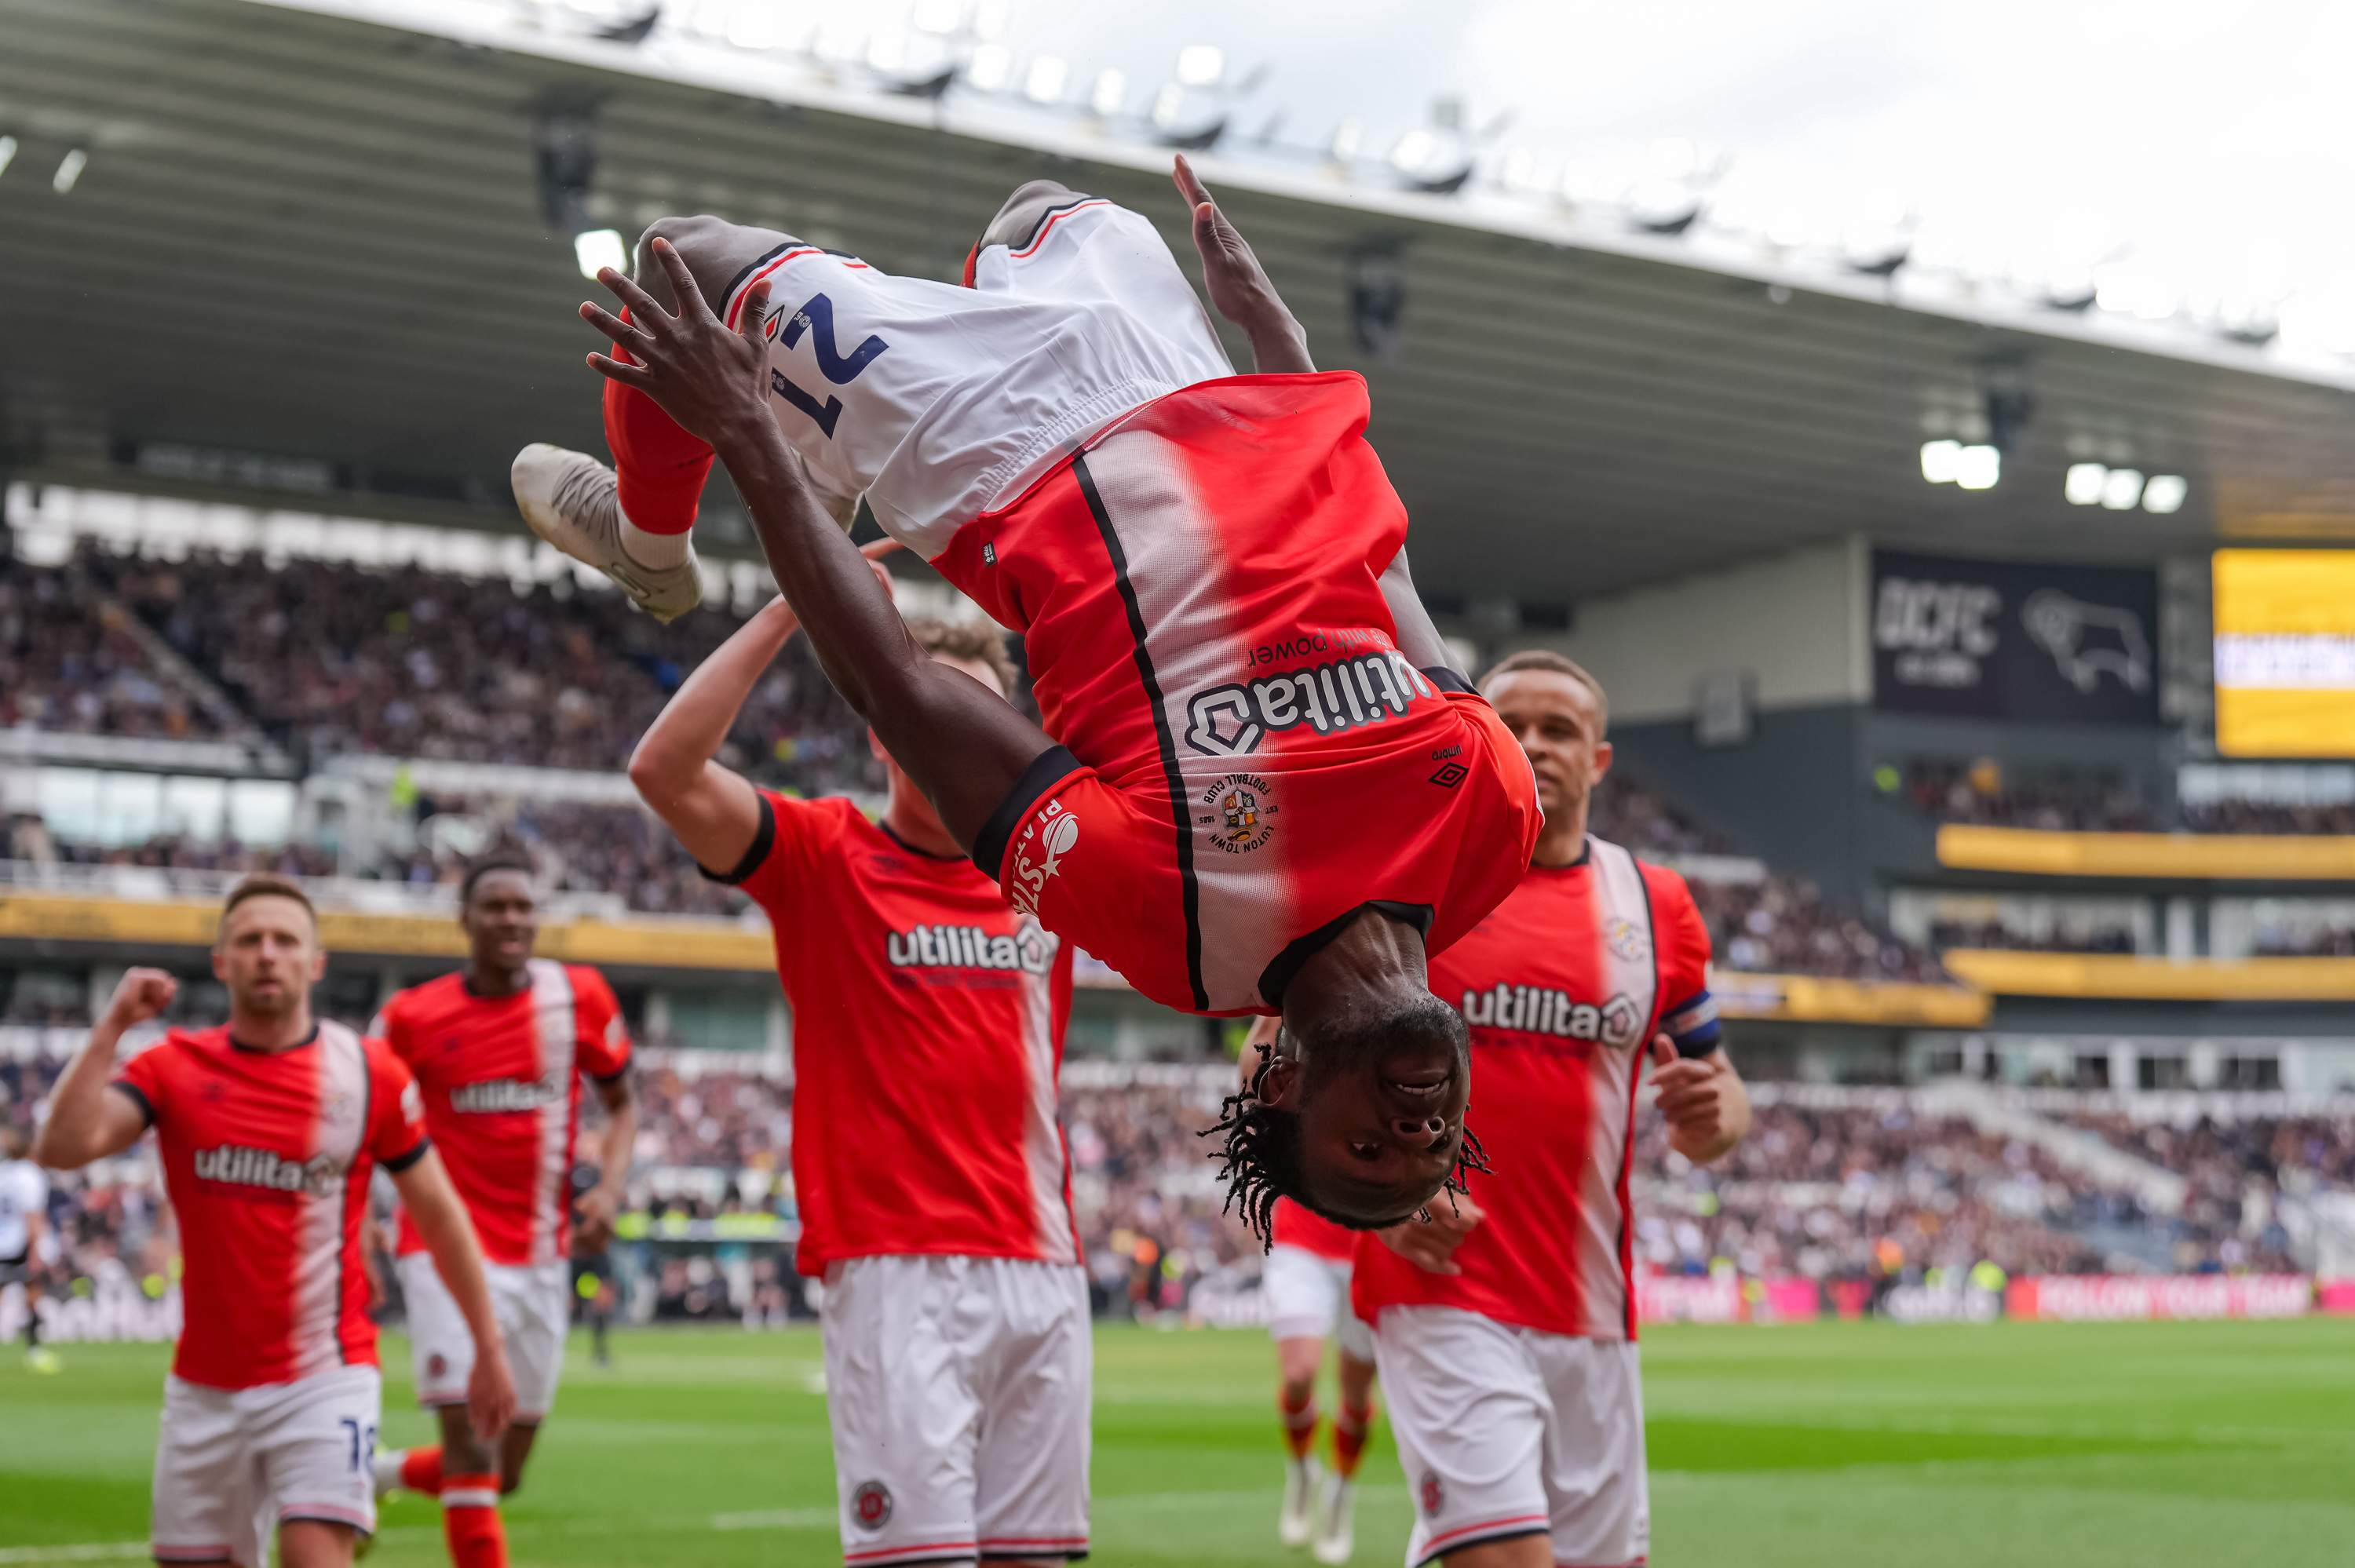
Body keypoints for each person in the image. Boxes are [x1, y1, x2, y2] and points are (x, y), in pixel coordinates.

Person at [527, 154, 1540, 1232]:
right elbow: (1383, 569)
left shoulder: (1183, 933)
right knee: (1041, 208)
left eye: (1366, 1150)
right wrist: (1285, 360)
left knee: (684, 260)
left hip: (1000, 452)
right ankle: (819, 435)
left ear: (1277, 1085)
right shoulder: (1492, 825)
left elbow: (903, 689)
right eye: (1433, 1156)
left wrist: (740, 432)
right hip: (1198, 395)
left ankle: (651, 546)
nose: (1416, 1131)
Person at [627, 593, 1090, 1568]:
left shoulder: (1048, 869)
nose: (963, 742)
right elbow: (664, 772)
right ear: (887, 729)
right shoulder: (824, 853)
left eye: (985, 722)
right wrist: (792, 605)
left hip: (1046, 1266)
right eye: (933, 712)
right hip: (897, 1267)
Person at [1352, 651, 1751, 1568]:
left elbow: (1719, 1102)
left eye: (1559, 729)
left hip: (1592, 1313)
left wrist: (1710, 1113)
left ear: (1599, 761)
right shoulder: (1406, 881)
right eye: (1513, 726)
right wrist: (1375, 1195)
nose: (1534, 745)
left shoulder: (1656, 909)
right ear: (1477, 738)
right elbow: (1275, 1068)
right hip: (1441, 1286)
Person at [31, 875, 516, 1568]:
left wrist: (489, 1348)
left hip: (324, 1375)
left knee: (314, 1553)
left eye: (285, 941)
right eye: (249, 941)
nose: (267, 954)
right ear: (221, 962)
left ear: (315, 963)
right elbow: (61, 1147)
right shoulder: (172, 1068)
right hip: (205, 1387)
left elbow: (439, 1215)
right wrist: (113, 1026)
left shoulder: (369, 1074)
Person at [368, 851, 637, 1568]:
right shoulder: (410, 1017)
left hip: (543, 1258)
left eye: (523, 906)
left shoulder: (579, 997)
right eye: (495, 907)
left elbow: (624, 1101)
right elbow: (363, 1126)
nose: (512, 919)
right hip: (443, 1255)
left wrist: (608, 1190)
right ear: (465, 920)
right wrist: (360, 1227)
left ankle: (372, 1479)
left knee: (502, 1472)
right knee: (470, 1447)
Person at [0, 1124, 57, 1373]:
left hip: (2, 1243)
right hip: (19, 1244)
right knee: (33, 1296)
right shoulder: (30, 1175)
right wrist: (37, 1251)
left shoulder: (4, 1173)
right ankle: (34, 1350)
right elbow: (33, 1216)